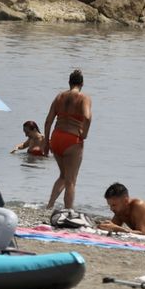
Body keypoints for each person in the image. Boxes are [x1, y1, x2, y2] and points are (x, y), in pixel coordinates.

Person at [43, 69, 91, 210]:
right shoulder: (84, 98)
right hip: (72, 139)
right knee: (71, 181)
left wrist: (47, 142)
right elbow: (87, 117)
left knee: (63, 175)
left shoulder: (59, 97)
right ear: (82, 83)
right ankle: (69, 210)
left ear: (69, 82)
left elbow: (48, 121)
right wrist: (84, 134)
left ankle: (50, 205)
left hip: (56, 137)